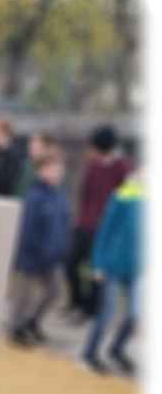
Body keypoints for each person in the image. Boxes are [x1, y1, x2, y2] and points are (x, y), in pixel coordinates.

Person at [81, 167, 144, 375]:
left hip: (137, 270)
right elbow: (104, 231)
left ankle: (116, 350)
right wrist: (98, 264)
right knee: (107, 314)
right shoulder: (122, 196)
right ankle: (89, 353)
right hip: (112, 267)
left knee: (135, 315)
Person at [66, 125, 132, 322]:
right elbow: (84, 194)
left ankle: (89, 309)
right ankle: (76, 303)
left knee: (96, 272)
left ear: (102, 147)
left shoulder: (123, 168)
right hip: (84, 225)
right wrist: (78, 219)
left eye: (93, 147)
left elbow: (126, 201)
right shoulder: (92, 165)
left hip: (105, 229)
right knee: (70, 264)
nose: (90, 151)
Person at [6, 149, 71, 345]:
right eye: (51, 169)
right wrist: (35, 252)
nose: (57, 173)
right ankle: (15, 329)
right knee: (23, 296)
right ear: (41, 171)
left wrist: (63, 249)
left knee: (54, 293)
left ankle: (32, 322)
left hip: (53, 257)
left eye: (59, 169)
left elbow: (64, 225)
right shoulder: (34, 196)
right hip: (31, 256)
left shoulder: (60, 197)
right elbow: (28, 229)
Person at [15, 131, 58, 199]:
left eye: (36, 147)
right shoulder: (25, 164)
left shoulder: (49, 170)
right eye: (31, 147)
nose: (31, 150)